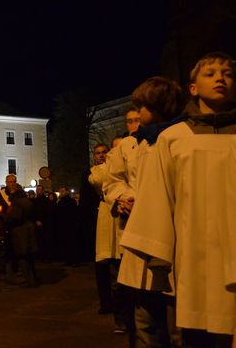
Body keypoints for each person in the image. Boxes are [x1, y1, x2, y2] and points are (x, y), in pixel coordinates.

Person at [121, 53, 236, 347]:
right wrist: (159, 256)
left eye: (228, 74)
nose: (220, 78)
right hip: (195, 254)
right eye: (211, 73)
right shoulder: (175, 137)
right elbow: (159, 197)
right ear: (193, 88)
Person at [115, 76, 186, 348]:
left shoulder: (180, 139)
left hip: (173, 239)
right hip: (140, 238)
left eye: (141, 108)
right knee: (145, 320)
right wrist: (123, 197)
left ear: (156, 106)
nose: (135, 114)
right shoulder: (136, 144)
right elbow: (116, 180)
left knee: (177, 321)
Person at [103, 107, 142, 336]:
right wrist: (122, 198)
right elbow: (111, 180)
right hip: (129, 218)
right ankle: (128, 321)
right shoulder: (124, 148)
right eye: (130, 121)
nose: (134, 125)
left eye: (137, 120)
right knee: (127, 280)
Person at [83, 143, 115, 315]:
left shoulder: (115, 168)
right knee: (102, 263)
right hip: (100, 216)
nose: (101, 155)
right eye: (98, 153)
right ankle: (106, 302)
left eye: (104, 153)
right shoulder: (91, 173)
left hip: (114, 213)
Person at [3, 179, 39, 287]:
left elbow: (16, 217)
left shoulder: (17, 201)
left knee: (23, 256)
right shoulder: (25, 200)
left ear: (13, 191)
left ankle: (30, 281)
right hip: (28, 230)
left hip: (20, 232)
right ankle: (33, 279)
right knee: (29, 257)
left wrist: (3, 217)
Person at [0, 174, 21, 279]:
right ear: (6, 182)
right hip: (4, 225)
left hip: (16, 225)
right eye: (9, 182)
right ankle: (2, 270)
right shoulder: (0, 194)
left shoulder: (20, 194)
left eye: (13, 181)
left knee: (16, 248)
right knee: (2, 248)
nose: (11, 184)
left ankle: (16, 268)